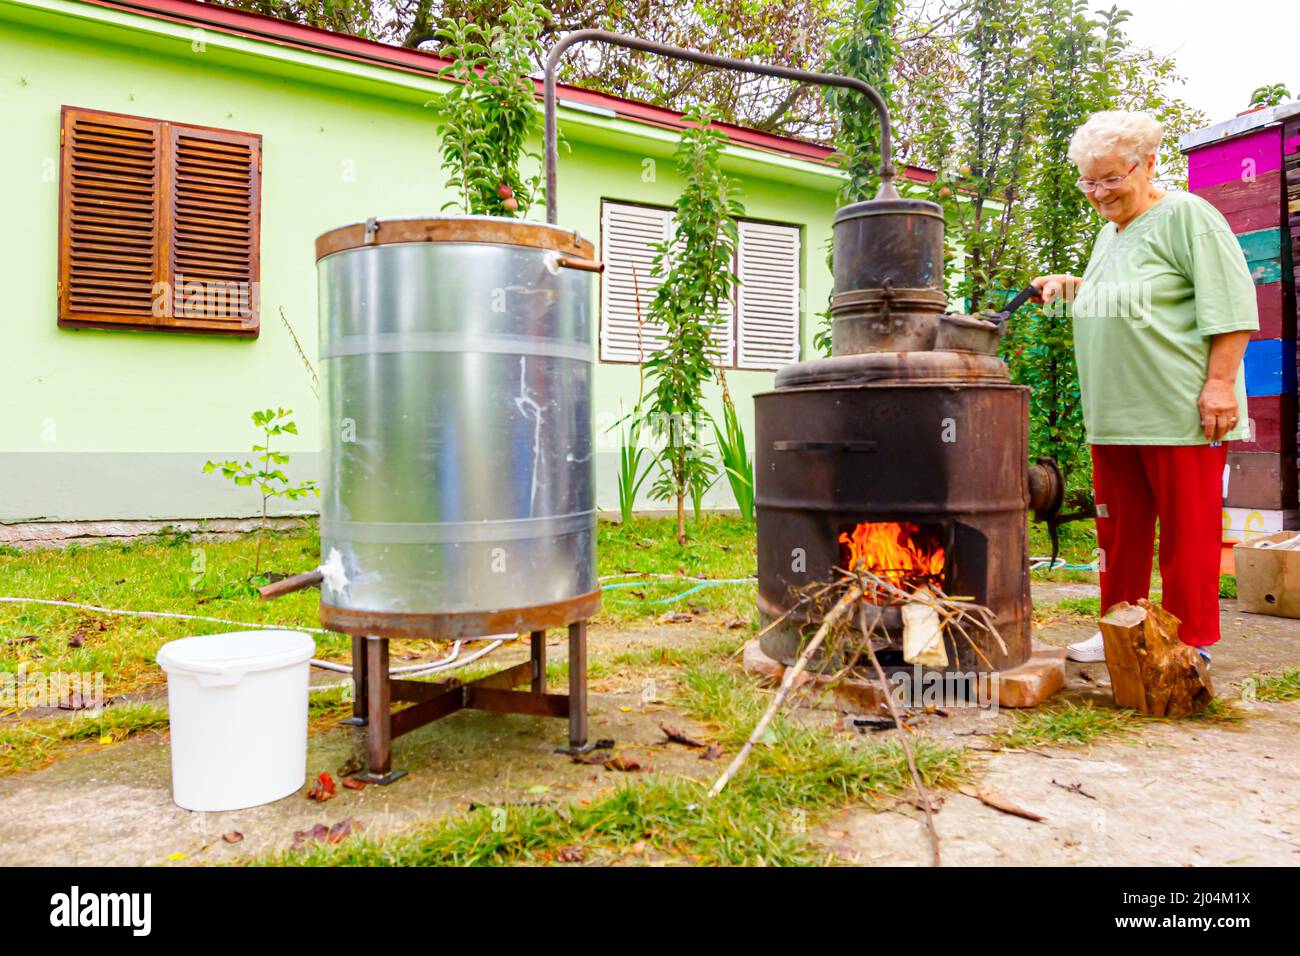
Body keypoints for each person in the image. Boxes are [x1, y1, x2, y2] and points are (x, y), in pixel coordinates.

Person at [1031, 110, 1258, 664]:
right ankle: (1120, 630)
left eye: (1112, 178)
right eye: (1089, 181)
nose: (1100, 193)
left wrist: (1220, 386)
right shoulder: (1109, 234)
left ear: (1148, 163)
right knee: (1117, 538)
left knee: (1188, 537)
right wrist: (1073, 287)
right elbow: (1132, 296)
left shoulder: (1187, 216)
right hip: (1114, 413)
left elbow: (1231, 305)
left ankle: (1189, 643)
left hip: (1180, 408)